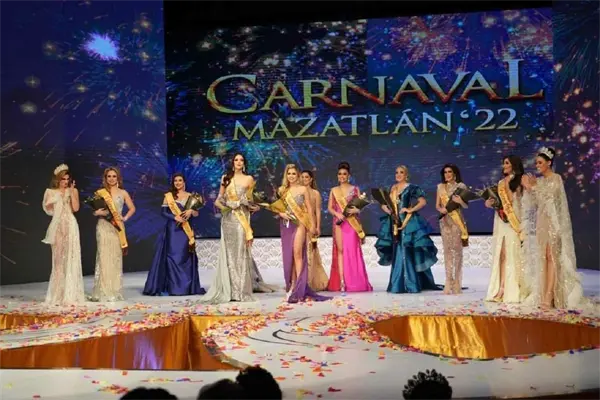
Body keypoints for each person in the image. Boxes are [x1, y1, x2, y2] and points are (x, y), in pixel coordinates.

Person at [521, 147, 591, 309]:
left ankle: (550, 295)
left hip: (554, 224)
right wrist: (527, 189)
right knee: (543, 258)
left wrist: (532, 187)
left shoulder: (556, 178)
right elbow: (534, 203)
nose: (537, 166)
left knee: (551, 256)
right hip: (541, 223)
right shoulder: (539, 181)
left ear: (549, 163)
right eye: (536, 163)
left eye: (540, 163)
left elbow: (549, 197)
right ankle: (543, 292)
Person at [201, 153, 274, 304]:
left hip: (242, 218)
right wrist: (226, 207)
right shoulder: (225, 178)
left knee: (241, 251)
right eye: (236, 160)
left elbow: (251, 200)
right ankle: (229, 289)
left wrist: (256, 207)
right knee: (229, 254)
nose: (239, 162)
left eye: (241, 160)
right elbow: (218, 200)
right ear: (232, 162)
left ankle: (240, 290)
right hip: (228, 219)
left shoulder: (249, 179)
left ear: (244, 163)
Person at [375, 165, 439, 293]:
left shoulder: (411, 187)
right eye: (396, 172)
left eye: (401, 172)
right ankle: (399, 283)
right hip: (394, 222)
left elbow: (423, 202)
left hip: (407, 222)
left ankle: (409, 283)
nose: (398, 174)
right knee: (397, 249)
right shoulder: (392, 188)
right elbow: (384, 204)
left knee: (405, 249)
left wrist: (410, 209)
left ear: (406, 175)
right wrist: (387, 210)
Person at [143, 173, 205, 296]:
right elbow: (163, 212)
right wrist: (175, 217)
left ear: (184, 182)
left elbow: (196, 214)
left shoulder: (191, 196)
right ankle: (173, 288)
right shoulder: (169, 196)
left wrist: (191, 211)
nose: (177, 183)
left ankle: (185, 288)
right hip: (173, 230)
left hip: (186, 231)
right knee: (172, 257)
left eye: (180, 180)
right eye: (175, 180)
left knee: (185, 256)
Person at [278, 164, 330, 303]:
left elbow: (309, 208)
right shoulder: (282, 190)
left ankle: (300, 288)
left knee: (298, 253)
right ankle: (293, 285)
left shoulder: (303, 189)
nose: (291, 176)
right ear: (286, 175)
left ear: (298, 175)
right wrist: (281, 213)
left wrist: (312, 225)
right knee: (290, 256)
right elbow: (278, 208)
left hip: (300, 224)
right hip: (286, 225)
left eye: (294, 174)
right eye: (289, 173)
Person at [90, 167, 136, 302]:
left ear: (118, 178)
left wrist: (125, 217)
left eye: (114, 176)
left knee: (115, 258)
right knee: (103, 258)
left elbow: (132, 208)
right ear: (105, 178)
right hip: (103, 226)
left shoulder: (123, 192)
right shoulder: (100, 193)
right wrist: (97, 213)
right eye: (109, 176)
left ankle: (114, 290)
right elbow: (95, 210)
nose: (111, 179)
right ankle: (103, 291)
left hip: (117, 227)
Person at [41, 164, 85, 304]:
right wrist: (55, 200)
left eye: (67, 179)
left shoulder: (73, 190)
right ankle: (57, 294)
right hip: (58, 226)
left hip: (70, 225)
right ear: (57, 179)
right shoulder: (50, 192)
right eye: (63, 179)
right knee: (58, 260)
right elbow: (48, 209)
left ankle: (70, 294)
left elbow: (76, 208)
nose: (65, 182)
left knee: (71, 258)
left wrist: (71, 193)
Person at [484, 155, 525, 303]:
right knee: (501, 254)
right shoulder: (500, 183)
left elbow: (519, 202)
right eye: (503, 163)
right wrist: (490, 203)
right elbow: (499, 203)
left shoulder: (520, 180)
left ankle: (512, 289)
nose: (504, 165)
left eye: (507, 163)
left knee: (511, 254)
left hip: (514, 221)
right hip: (501, 221)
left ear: (514, 164)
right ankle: (501, 288)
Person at [327, 162, 372, 292]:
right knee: (340, 251)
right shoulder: (334, 190)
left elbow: (360, 206)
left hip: (351, 223)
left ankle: (354, 281)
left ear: (349, 176)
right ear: (337, 176)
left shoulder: (355, 189)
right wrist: (337, 214)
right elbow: (330, 208)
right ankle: (342, 281)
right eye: (340, 174)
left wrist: (356, 210)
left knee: (352, 250)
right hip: (339, 222)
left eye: (344, 174)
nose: (342, 176)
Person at [435, 164, 469, 294]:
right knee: (447, 251)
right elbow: (437, 205)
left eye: (450, 172)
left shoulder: (461, 187)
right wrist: (441, 210)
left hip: (456, 221)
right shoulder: (440, 187)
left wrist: (460, 201)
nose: (447, 174)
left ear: (455, 173)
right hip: (445, 221)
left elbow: (465, 206)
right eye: (445, 172)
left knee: (457, 251)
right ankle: (448, 281)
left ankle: (457, 283)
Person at [300, 170, 329, 291]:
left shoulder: (315, 193)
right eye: (302, 177)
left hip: (311, 224)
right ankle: (300, 280)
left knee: (310, 250)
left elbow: (318, 211)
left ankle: (310, 281)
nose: (304, 179)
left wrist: (317, 226)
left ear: (311, 179)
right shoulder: (298, 192)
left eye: (306, 177)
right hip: (300, 223)